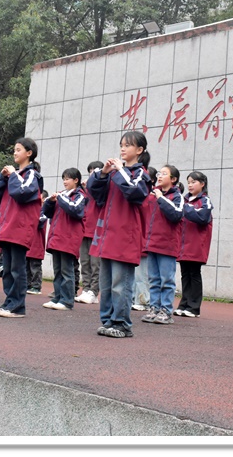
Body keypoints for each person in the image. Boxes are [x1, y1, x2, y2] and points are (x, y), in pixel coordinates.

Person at [88, 130, 151, 338]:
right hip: (108, 235)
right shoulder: (115, 173)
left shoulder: (141, 173)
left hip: (125, 236)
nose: (123, 149)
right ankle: (108, 321)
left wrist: (120, 170)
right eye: (121, 145)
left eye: (128, 145)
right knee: (106, 285)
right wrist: (103, 174)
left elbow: (135, 192)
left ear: (139, 150)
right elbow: (95, 193)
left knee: (120, 284)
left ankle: (122, 324)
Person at [0, 137, 43, 318]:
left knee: (17, 268)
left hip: (19, 228)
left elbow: (21, 193)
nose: (15, 152)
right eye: (14, 149)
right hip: (7, 227)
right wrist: (1, 177)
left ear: (29, 153)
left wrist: (13, 175)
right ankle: (9, 301)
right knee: (7, 269)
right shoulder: (13, 176)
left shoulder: (32, 175)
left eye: (18, 149)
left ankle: (18, 306)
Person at [141, 165, 183, 325]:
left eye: (164, 174)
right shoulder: (152, 195)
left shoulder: (177, 196)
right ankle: (154, 308)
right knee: (154, 280)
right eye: (159, 173)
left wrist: (160, 198)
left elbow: (176, 214)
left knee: (167, 280)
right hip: (152, 243)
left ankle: (166, 311)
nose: (159, 176)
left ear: (173, 179)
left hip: (167, 246)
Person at [42, 168, 87, 311]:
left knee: (67, 271)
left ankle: (67, 300)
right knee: (58, 270)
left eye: (67, 179)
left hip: (69, 238)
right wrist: (50, 202)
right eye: (63, 179)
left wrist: (61, 198)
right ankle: (57, 297)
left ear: (76, 180)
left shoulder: (80, 195)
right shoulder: (62, 195)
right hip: (56, 237)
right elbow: (47, 213)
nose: (64, 182)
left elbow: (75, 210)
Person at [174, 171, 214, 318]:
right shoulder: (184, 200)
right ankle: (184, 304)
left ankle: (194, 307)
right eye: (188, 182)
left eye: (193, 182)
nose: (190, 185)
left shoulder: (205, 201)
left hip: (197, 244)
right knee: (185, 274)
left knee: (194, 274)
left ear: (202, 184)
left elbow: (202, 217)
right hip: (183, 245)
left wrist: (186, 207)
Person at [75, 161, 104, 305]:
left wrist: (92, 187)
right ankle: (86, 289)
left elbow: (100, 200)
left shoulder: (101, 188)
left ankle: (94, 291)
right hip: (84, 229)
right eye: (90, 170)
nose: (92, 173)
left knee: (95, 264)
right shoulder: (84, 191)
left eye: (95, 170)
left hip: (97, 231)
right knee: (84, 262)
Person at [132, 166, 156, 312]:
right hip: (138, 240)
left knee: (142, 275)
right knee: (136, 274)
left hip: (145, 240)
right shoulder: (146, 197)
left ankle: (143, 300)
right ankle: (137, 299)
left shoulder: (152, 198)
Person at [26, 191, 48, 295]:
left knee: (35, 266)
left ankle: (36, 286)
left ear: (44, 199)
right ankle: (27, 284)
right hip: (28, 242)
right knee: (26, 266)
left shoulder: (44, 212)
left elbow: (39, 223)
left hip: (37, 244)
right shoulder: (32, 210)